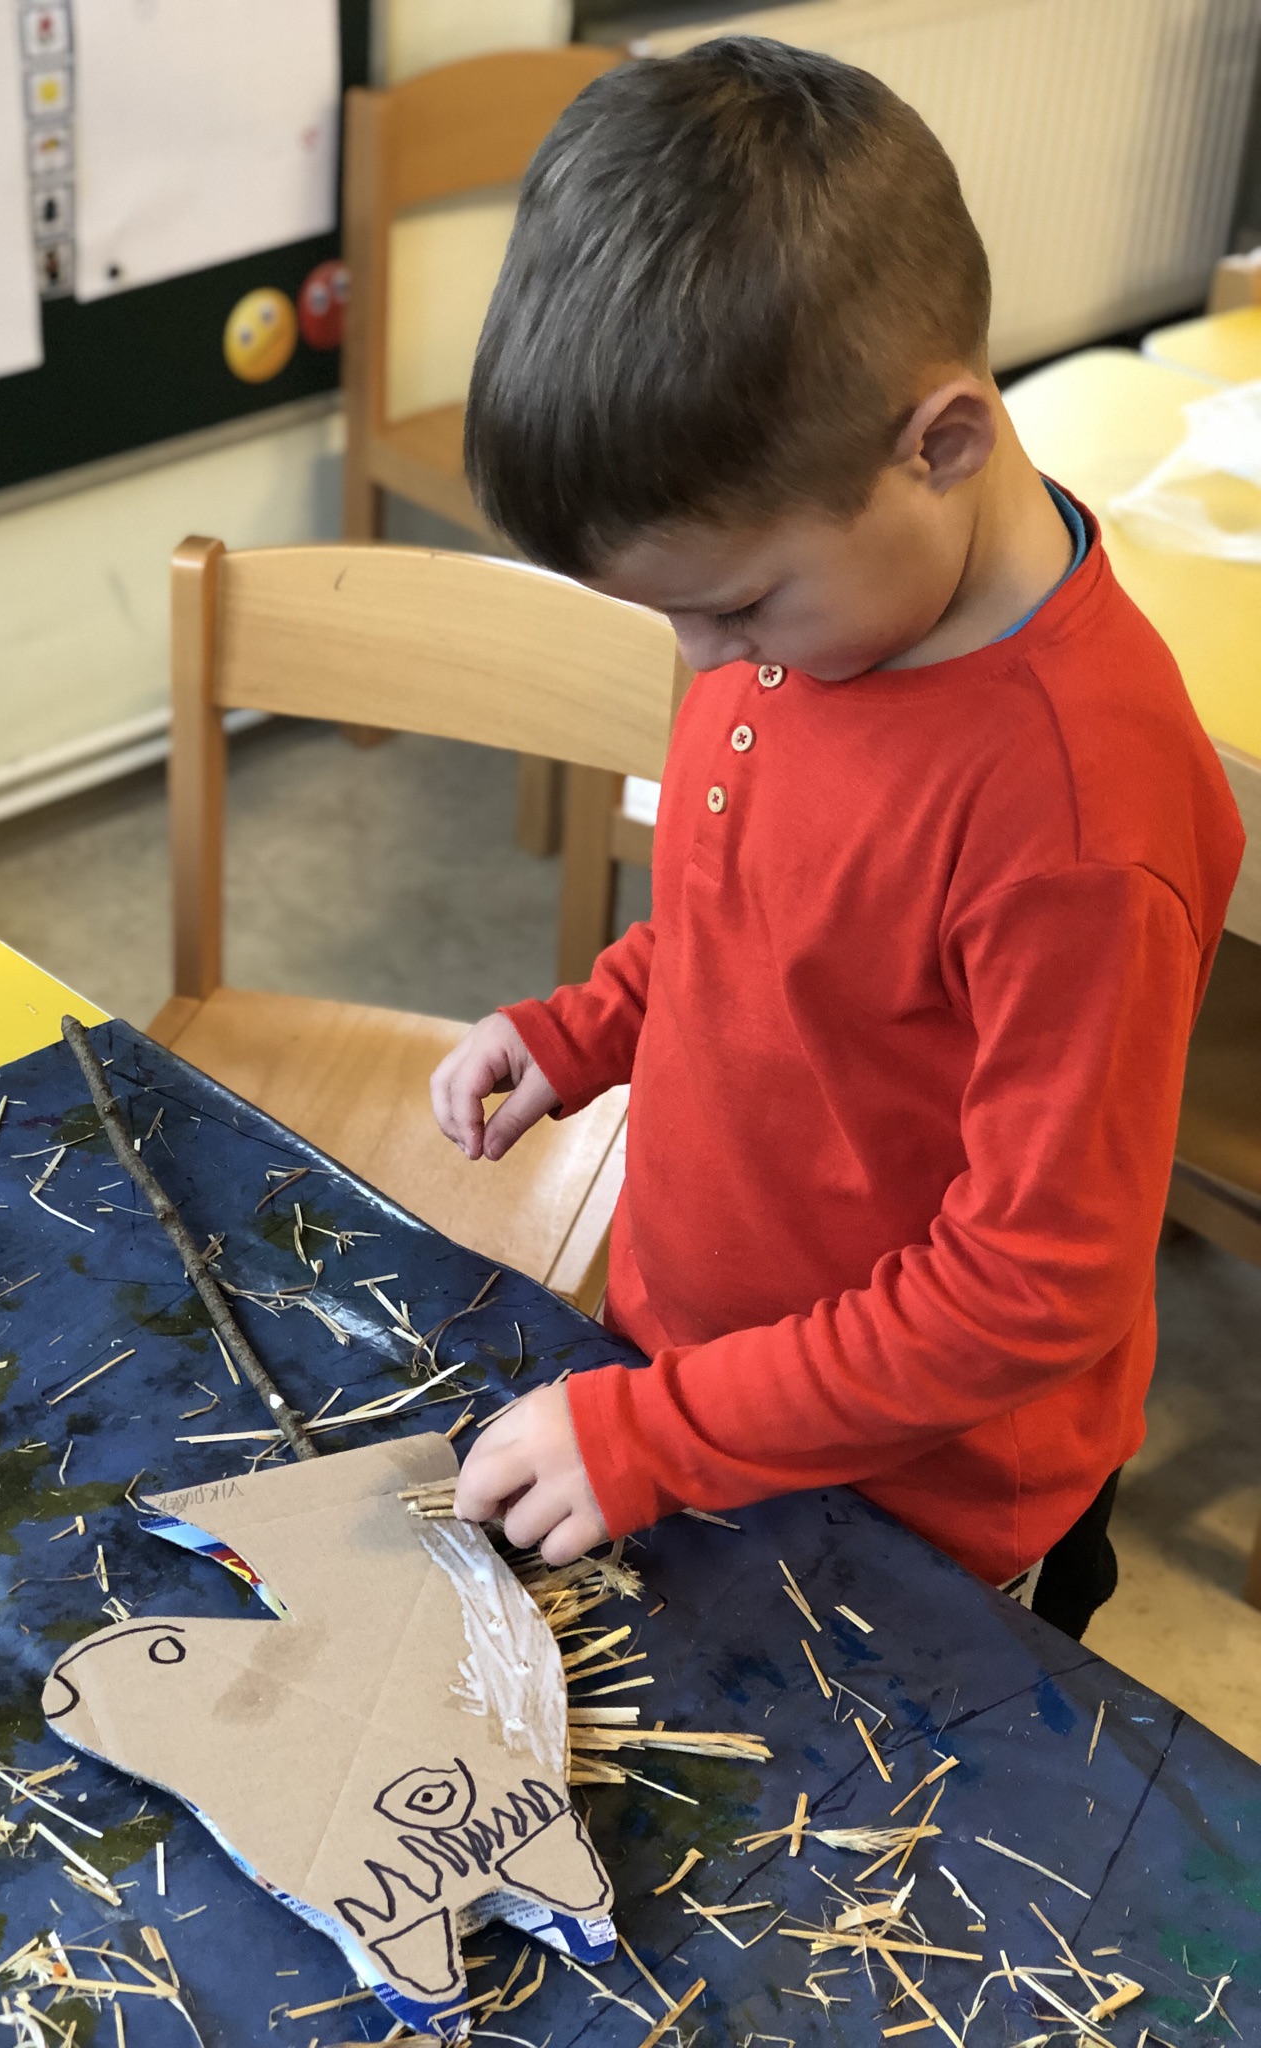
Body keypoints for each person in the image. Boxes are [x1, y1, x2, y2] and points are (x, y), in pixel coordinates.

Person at [428, 36, 1244, 1640]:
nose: (704, 660)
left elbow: (1031, 1285)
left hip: (923, 1519)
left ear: (941, 444)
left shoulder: (1079, 818)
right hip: (698, 1393)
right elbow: (754, 918)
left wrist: (662, 1436)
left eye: (733, 604)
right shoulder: (820, 626)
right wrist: (589, 1025)